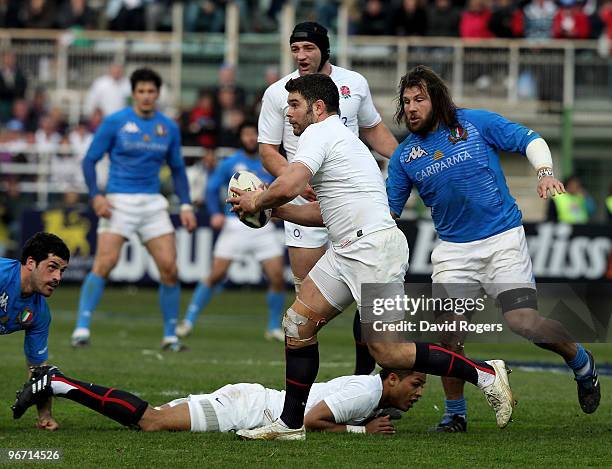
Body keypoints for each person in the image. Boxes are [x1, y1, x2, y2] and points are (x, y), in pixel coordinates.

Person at [228, 73, 515, 440]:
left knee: (390, 355)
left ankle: (484, 374)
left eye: (295, 105)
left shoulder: (320, 133)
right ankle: (290, 424)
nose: (289, 115)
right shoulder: (339, 140)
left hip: (373, 251)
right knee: (298, 326)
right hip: (348, 249)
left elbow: (292, 185)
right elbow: (323, 213)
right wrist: (276, 212)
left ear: (318, 107)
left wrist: (257, 200)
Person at [386, 65, 600, 433]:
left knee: (523, 323)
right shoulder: (406, 157)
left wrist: (545, 172)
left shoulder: (474, 123)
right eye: (406, 102)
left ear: (437, 98)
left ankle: (581, 361)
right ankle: (455, 414)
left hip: (502, 239)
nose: (411, 108)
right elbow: (387, 212)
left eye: (419, 99)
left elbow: (529, 139)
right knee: (449, 334)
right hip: (453, 250)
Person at [258, 21, 398, 376]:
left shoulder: (355, 84)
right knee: (306, 306)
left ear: (324, 48)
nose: (301, 56)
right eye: (295, 49)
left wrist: (407, 164)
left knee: (367, 308)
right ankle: (308, 397)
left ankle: (363, 382)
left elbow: (373, 131)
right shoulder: (279, 92)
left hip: (350, 203)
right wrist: (295, 180)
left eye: (308, 48)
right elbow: (268, 151)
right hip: (305, 203)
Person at [70, 68, 197, 351]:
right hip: (118, 201)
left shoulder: (169, 127)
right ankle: (81, 328)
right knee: (105, 263)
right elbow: (90, 160)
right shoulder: (115, 122)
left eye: (151, 91)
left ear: (158, 94)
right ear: (133, 94)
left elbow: (177, 169)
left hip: (153, 204)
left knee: (169, 268)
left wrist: (186, 204)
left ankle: (170, 337)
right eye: (141, 91)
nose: (146, 96)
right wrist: (96, 196)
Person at [13, 364, 425, 435]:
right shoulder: (367, 392)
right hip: (245, 409)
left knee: (152, 418)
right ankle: (62, 383)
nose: (420, 393)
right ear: (391, 377)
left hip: (249, 399)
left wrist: (385, 411)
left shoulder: (373, 391)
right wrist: (363, 430)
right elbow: (312, 419)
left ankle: (60, 382)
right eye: (417, 384)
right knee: (150, 421)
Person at [176, 121, 286, 341]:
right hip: (235, 224)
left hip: (262, 228)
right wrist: (215, 212)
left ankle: (274, 327)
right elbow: (211, 187)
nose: (249, 138)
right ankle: (188, 321)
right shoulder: (231, 163)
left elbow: (281, 188)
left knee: (276, 277)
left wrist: (276, 211)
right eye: (245, 134)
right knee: (215, 275)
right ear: (241, 137)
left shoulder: (272, 162)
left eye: (253, 133)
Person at [1, 232, 70, 431]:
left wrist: (45, 415)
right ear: (31, 262)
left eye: (62, 271)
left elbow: (38, 369)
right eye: (52, 267)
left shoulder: (39, 313)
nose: (57, 277)